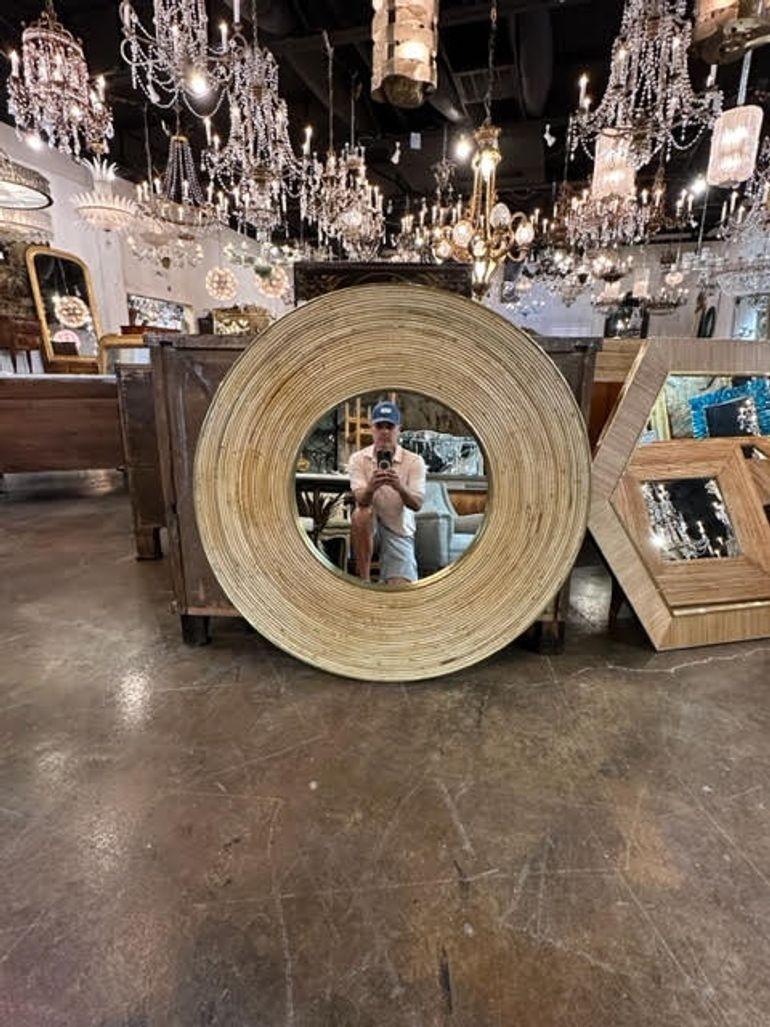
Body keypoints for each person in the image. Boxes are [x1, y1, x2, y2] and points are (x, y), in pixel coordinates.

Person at [348, 401, 426, 584]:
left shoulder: (414, 461)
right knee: (361, 513)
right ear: (372, 429)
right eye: (379, 426)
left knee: (401, 591)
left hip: (399, 531)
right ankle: (365, 582)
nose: (384, 431)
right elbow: (361, 499)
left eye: (389, 426)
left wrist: (399, 487)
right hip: (369, 528)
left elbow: (417, 504)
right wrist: (371, 487)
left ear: (398, 429)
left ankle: (390, 577)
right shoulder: (358, 459)